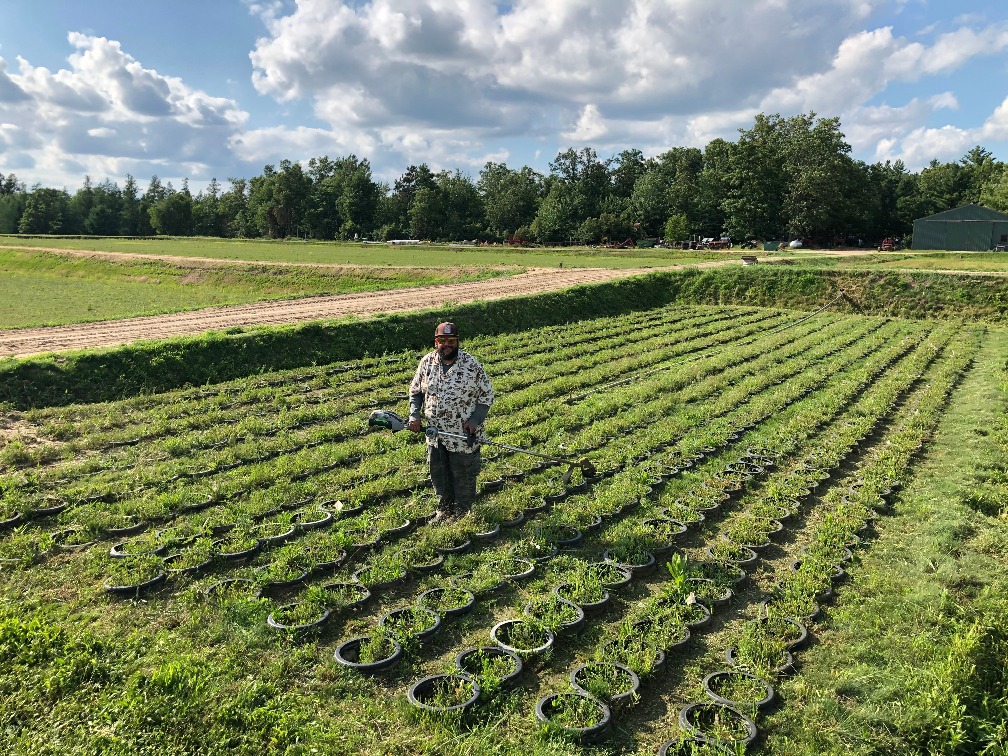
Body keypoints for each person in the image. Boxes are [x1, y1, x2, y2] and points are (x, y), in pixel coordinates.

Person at [408, 322, 494, 519]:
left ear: (457, 342)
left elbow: (486, 397)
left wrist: (474, 421)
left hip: (462, 436)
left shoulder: (471, 366)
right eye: (442, 341)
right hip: (435, 435)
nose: (447, 345)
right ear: (435, 342)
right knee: (439, 475)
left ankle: (463, 513)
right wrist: (414, 415)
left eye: (451, 341)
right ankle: (444, 510)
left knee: (462, 475)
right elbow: (416, 392)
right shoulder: (427, 363)